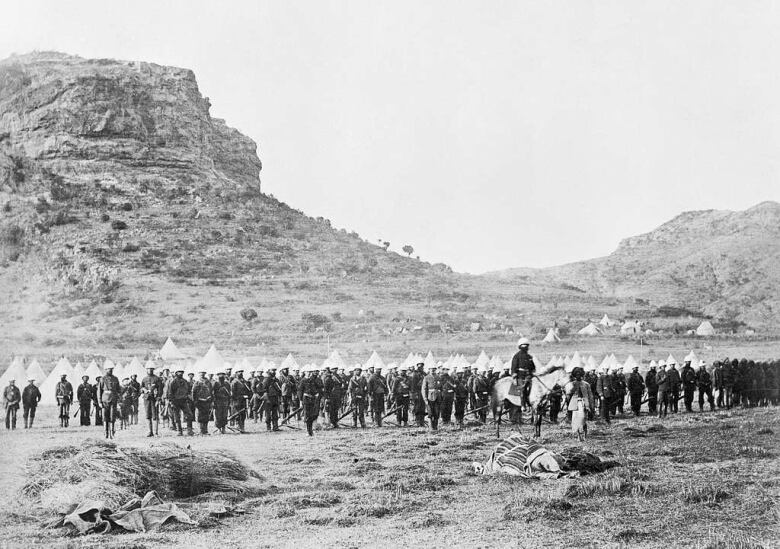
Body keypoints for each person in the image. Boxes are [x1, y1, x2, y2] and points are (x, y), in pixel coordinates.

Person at [167, 367, 193, 436]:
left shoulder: (185, 381)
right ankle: (179, 431)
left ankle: (189, 430)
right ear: (176, 373)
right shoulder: (173, 382)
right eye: (179, 372)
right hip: (176, 401)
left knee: (189, 415)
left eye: (181, 372)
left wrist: (188, 396)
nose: (180, 373)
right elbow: (170, 393)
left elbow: (189, 390)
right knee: (177, 417)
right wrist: (171, 402)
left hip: (184, 401)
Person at [298, 366, 323, 436]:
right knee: (307, 415)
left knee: (314, 415)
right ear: (305, 372)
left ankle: (310, 429)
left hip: (313, 399)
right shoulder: (303, 380)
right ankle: (309, 431)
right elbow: (300, 391)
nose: (309, 373)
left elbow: (316, 388)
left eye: (310, 372)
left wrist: (317, 394)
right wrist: (300, 401)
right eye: (308, 372)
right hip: (306, 399)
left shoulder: (312, 380)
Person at [510, 338, 535, 407]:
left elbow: (533, 367)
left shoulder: (529, 357)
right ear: (520, 347)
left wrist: (533, 372)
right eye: (523, 346)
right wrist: (514, 374)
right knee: (522, 389)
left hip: (529, 375)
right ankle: (523, 404)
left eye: (526, 346)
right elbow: (514, 366)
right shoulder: (516, 356)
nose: (525, 348)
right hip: (520, 375)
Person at [140, 365, 163, 437]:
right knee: (147, 415)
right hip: (147, 399)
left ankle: (156, 432)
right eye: (148, 369)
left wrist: (158, 397)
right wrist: (143, 390)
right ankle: (150, 431)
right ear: (146, 370)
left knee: (155, 415)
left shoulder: (157, 379)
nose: (150, 370)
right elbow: (141, 388)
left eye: (151, 369)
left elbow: (160, 389)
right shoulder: (144, 379)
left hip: (154, 399)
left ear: (153, 369)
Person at [99, 365, 121, 438]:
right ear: (105, 369)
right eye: (108, 369)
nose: (110, 370)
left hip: (113, 400)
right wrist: (99, 401)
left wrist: (119, 398)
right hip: (105, 400)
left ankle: (112, 433)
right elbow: (99, 391)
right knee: (105, 417)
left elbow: (118, 390)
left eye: (111, 369)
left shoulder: (115, 379)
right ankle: (106, 433)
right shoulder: (102, 379)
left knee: (112, 417)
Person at [191, 369, 213, 435]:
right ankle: (200, 430)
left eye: (203, 373)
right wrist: (195, 401)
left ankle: (205, 430)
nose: (202, 374)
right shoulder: (196, 383)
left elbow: (211, 391)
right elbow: (193, 393)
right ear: (199, 374)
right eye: (200, 373)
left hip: (206, 402)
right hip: (199, 402)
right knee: (199, 416)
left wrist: (210, 399)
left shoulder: (208, 382)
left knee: (206, 416)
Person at [421, 364, 442, 430]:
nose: (432, 370)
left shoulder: (438, 377)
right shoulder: (426, 378)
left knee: (437, 412)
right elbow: (424, 389)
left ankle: (435, 427)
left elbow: (441, 387)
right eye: (431, 369)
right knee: (430, 413)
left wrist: (441, 396)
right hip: (430, 398)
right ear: (429, 369)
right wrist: (425, 399)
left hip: (438, 397)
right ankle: (431, 427)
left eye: (434, 369)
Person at [232, 368, 252, 433]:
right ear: (236, 373)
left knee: (243, 414)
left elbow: (248, 390)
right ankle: (238, 427)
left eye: (241, 372)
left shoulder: (244, 381)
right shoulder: (234, 382)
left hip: (243, 400)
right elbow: (233, 394)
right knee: (237, 414)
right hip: (237, 401)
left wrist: (248, 396)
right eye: (239, 372)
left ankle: (242, 428)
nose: (240, 373)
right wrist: (241, 396)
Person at [262, 367, 281, 432]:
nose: (274, 372)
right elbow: (264, 390)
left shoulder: (276, 380)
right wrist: (267, 399)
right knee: (268, 414)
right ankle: (268, 427)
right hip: (268, 398)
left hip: (275, 398)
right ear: (269, 370)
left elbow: (279, 388)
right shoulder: (266, 379)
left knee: (275, 413)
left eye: (274, 370)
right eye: (272, 370)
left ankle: (275, 427)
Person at [409, 362, 426, 427]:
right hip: (417, 392)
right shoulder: (415, 374)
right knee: (417, 407)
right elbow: (413, 385)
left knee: (423, 407)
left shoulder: (424, 373)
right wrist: (414, 393)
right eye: (419, 365)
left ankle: (422, 421)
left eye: (422, 366)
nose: (421, 367)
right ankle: (418, 421)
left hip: (423, 392)